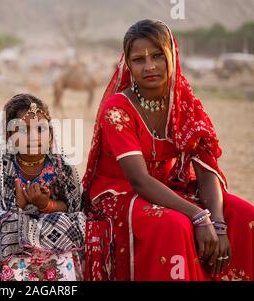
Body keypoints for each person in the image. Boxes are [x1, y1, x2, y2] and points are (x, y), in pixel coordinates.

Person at [82, 19, 254, 281]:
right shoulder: (117, 109)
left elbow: (206, 170)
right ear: (128, 64)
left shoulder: (184, 102)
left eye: (158, 56)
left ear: (172, 55)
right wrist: (197, 215)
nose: (149, 66)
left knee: (243, 215)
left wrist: (216, 223)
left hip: (171, 187)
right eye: (139, 59)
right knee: (175, 225)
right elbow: (138, 180)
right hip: (121, 192)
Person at [0, 93, 86, 281]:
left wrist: (47, 205)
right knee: (10, 225)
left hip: (56, 245)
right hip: (14, 244)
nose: (33, 137)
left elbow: (75, 207)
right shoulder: (1, 164)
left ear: (51, 134)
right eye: (22, 130)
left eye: (41, 129)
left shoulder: (62, 164)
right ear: (9, 135)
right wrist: (17, 207)